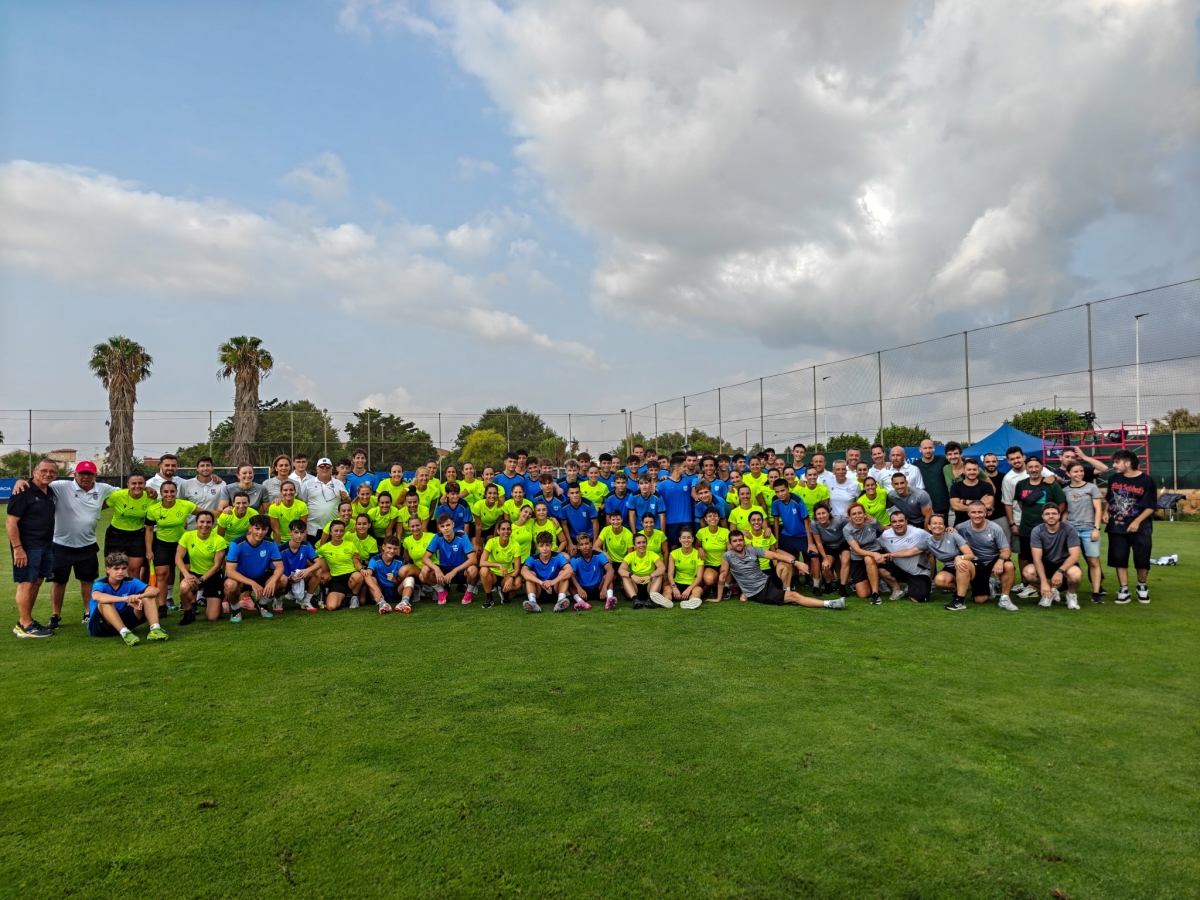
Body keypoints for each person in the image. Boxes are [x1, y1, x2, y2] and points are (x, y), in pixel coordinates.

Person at [11, 459, 115, 630]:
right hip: (60, 544)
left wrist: (148, 489)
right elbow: (37, 482)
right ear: (75, 474)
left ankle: (88, 612)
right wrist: (20, 481)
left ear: (95, 475)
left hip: (88, 544)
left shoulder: (104, 489)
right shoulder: (61, 486)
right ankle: (56, 615)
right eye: (82, 474)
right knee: (59, 582)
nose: (86, 477)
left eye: (89, 474)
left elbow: (127, 491)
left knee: (87, 581)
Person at [716, 530, 843, 609]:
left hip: (767, 581)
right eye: (735, 541)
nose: (738, 543)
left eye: (740, 540)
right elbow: (722, 576)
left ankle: (786, 590)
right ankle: (830, 604)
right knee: (795, 596)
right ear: (730, 544)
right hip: (759, 592)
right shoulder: (727, 556)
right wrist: (718, 598)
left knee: (784, 563)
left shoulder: (751, 550)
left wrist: (796, 562)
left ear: (744, 541)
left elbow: (774, 555)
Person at [7, 458, 59, 638]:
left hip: (45, 545)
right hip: (27, 546)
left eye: (52, 471)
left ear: (56, 474)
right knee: (26, 582)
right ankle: (25, 625)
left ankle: (25, 621)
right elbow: (11, 522)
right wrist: (18, 548)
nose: (47, 474)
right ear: (34, 472)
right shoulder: (23, 491)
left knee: (36, 581)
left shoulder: (50, 491)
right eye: (43, 470)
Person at [1105, 449, 1157, 605]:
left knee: (1142, 558)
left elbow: (1151, 506)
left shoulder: (1147, 480)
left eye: (1117, 462)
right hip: (1117, 526)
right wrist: (1105, 512)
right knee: (1119, 558)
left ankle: (1142, 586)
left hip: (1141, 527)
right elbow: (1110, 499)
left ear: (1127, 463)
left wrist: (1136, 522)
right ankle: (1124, 589)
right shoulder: (1113, 478)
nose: (1114, 465)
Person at [1012, 456, 1066, 595]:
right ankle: (1031, 586)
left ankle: (1051, 587)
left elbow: (1062, 504)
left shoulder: (1051, 484)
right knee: (1027, 557)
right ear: (1026, 469)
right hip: (1026, 528)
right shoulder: (1021, 484)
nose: (1033, 469)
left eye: (1036, 466)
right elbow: (1021, 503)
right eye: (1030, 467)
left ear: (1042, 467)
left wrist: (1051, 519)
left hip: (1046, 530)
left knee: (1046, 558)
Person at [87, 552, 167, 644]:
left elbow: (155, 590)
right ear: (108, 569)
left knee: (148, 597)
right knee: (105, 603)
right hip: (101, 626)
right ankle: (125, 633)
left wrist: (139, 596)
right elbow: (97, 596)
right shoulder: (100, 584)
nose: (120, 572)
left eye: (123, 568)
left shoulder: (131, 582)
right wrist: (126, 599)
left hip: (124, 621)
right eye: (116, 569)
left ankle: (155, 629)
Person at [144, 481, 197, 616]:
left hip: (182, 544)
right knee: (162, 574)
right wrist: (149, 550)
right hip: (162, 544)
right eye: (166, 492)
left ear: (176, 492)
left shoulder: (185, 505)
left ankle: (188, 603)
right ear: (161, 493)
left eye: (172, 491)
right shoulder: (153, 509)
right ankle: (162, 607)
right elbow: (149, 530)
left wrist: (225, 511)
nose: (169, 494)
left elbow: (205, 513)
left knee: (187, 573)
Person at [957, 501, 1018, 610]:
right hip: (975, 562)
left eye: (980, 512)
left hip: (993, 560)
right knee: (980, 600)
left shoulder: (995, 528)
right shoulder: (960, 528)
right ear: (968, 513)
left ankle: (1005, 599)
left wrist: (1000, 561)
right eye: (973, 512)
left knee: (1008, 566)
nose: (977, 515)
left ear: (985, 513)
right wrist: (949, 529)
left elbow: (1006, 550)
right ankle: (991, 583)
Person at [222, 515, 284, 621]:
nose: (260, 532)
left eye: (263, 529)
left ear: (267, 530)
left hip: (260, 576)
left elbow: (280, 567)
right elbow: (230, 572)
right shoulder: (237, 544)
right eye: (257, 528)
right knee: (230, 585)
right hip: (240, 579)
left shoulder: (270, 543)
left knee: (282, 580)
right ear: (250, 528)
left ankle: (262, 603)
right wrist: (252, 583)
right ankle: (236, 609)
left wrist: (272, 581)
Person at [176, 510, 230, 624]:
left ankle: (219, 603)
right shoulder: (187, 536)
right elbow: (178, 558)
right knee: (184, 587)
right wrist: (187, 575)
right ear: (196, 523)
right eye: (202, 522)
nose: (205, 525)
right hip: (194, 573)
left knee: (212, 617)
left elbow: (217, 565)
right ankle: (188, 612)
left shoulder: (219, 540)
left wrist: (201, 580)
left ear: (213, 523)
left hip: (213, 575)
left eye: (208, 522)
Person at [1062, 461, 1105, 600]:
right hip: (1071, 530)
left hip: (1088, 529)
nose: (1079, 474)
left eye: (1081, 471)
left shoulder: (1092, 487)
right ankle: (1070, 591)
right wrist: (1062, 527)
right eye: (1075, 471)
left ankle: (1096, 592)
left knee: (1093, 561)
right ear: (1068, 473)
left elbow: (1098, 509)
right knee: (1070, 561)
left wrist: (1096, 528)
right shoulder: (1065, 490)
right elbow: (1066, 510)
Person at [1027, 505, 1083, 610]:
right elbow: (1037, 559)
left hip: (1064, 563)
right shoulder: (1037, 530)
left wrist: (1060, 571)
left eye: (1054, 513)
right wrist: (1044, 582)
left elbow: (1075, 556)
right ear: (1042, 516)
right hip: (1045, 563)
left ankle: (1071, 595)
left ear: (1059, 515)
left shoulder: (1069, 529)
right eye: (1047, 514)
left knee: (1076, 574)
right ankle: (1049, 593)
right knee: (1028, 572)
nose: (1051, 516)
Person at [104, 474, 152, 583]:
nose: (137, 486)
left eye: (140, 483)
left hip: (137, 536)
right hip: (116, 535)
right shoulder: (118, 496)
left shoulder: (150, 498)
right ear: (128, 485)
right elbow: (99, 507)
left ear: (145, 484)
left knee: (134, 570)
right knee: (113, 570)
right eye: (134, 483)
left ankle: (134, 594)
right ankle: (113, 593)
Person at [423, 514, 480, 605]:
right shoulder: (437, 537)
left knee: (473, 570)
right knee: (425, 570)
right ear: (439, 528)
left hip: (460, 570)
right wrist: (436, 569)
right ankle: (441, 591)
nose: (445, 528)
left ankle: (468, 592)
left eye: (448, 525)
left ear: (453, 524)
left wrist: (455, 570)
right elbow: (425, 558)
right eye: (442, 526)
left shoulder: (462, 537)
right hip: (444, 571)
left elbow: (473, 559)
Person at [922, 513, 975, 611]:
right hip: (951, 568)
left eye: (940, 523)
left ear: (944, 526)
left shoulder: (953, 535)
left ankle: (960, 601)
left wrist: (959, 557)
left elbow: (970, 555)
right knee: (939, 580)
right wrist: (892, 554)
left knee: (961, 564)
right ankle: (959, 590)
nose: (937, 526)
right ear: (929, 526)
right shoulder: (928, 541)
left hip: (969, 565)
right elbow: (910, 551)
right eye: (934, 523)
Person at [877, 511, 933, 603]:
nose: (898, 524)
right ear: (891, 524)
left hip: (917, 572)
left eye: (901, 521)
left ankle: (911, 587)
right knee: (881, 569)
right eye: (894, 522)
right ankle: (898, 589)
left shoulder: (918, 533)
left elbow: (936, 539)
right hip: (898, 568)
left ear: (906, 521)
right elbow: (877, 545)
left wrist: (948, 530)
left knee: (918, 598)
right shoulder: (886, 535)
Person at [842, 502, 892, 604]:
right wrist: (874, 554)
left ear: (864, 514)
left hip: (875, 551)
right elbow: (857, 550)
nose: (857, 516)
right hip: (858, 557)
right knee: (863, 594)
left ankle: (875, 594)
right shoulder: (847, 529)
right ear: (849, 517)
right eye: (854, 514)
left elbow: (882, 529)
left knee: (868, 559)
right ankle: (876, 580)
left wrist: (901, 527)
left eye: (860, 513)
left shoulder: (872, 522)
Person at [770, 479, 815, 580]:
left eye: (782, 490)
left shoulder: (797, 500)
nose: (780, 494)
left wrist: (810, 542)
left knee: (813, 556)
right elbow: (776, 521)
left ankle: (811, 580)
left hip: (802, 534)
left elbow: (806, 521)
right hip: (787, 534)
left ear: (788, 489)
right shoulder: (775, 501)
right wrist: (776, 540)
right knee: (786, 556)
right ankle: (793, 578)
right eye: (777, 492)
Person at [521, 532, 576, 613]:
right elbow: (523, 572)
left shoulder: (558, 556)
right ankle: (533, 602)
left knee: (563, 573)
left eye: (547, 545)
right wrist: (541, 583)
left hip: (555, 590)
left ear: (551, 545)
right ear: (538, 546)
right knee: (531, 574)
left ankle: (560, 601)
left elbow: (569, 570)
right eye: (541, 546)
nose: (544, 548)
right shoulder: (532, 558)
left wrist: (553, 582)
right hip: (539, 591)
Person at [301, 457, 349, 545]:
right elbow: (301, 503)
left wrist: (346, 498)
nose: (325, 468)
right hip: (312, 529)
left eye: (327, 467)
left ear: (331, 468)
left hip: (333, 528)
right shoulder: (307, 484)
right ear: (317, 468)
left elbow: (348, 500)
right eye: (322, 466)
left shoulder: (339, 483)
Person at [617, 532, 669, 609]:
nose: (642, 545)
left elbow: (662, 568)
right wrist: (632, 576)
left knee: (658, 575)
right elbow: (620, 570)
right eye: (639, 543)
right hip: (634, 588)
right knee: (625, 576)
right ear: (634, 545)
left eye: (644, 542)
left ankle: (650, 600)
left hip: (650, 587)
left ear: (647, 544)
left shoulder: (652, 554)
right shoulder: (630, 556)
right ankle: (635, 600)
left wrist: (649, 576)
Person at [278, 520, 321, 613]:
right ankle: (277, 600)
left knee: (318, 571)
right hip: (285, 579)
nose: (299, 535)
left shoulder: (306, 545)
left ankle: (306, 601)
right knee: (280, 578)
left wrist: (308, 570)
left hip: (300, 577)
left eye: (302, 532)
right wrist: (288, 578)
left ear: (305, 533)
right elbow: (274, 570)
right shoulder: (281, 549)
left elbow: (319, 562)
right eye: (296, 532)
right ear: (290, 532)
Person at [316, 520, 359, 611]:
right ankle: (345, 599)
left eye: (341, 531)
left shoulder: (350, 544)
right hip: (337, 579)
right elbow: (311, 558)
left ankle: (354, 596)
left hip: (351, 576)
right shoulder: (324, 548)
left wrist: (362, 569)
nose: (339, 533)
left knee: (358, 576)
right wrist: (324, 573)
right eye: (336, 531)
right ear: (330, 532)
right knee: (331, 606)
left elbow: (356, 562)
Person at [479, 519, 523, 608]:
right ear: (498, 531)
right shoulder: (491, 542)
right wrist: (499, 565)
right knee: (483, 570)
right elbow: (482, 562)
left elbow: (517, 569)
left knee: (518, 583)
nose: (506, 531)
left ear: (511, 531)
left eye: (508, 529)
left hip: (506, 575)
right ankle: (489, 598)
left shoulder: (515, 545)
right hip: (492, 575)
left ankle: (503, 591)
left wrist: (511, 578)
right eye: (503, 529)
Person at [809, 502, 851, 596]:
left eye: (823, 513)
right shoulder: (814, 523)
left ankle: (842, 587)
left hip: (842, 543)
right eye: (818, 514)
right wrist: (824, 558)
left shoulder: (839, 520)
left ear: (828, 513)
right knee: (825, 566)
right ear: (815, 516)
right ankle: (828, 585)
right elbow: (818, 542)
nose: (821, 516)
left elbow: (852, 522)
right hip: (828, 545)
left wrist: (865, 519)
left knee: (845, 560)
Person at [657, 452, 697, 550]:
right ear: (677, 468)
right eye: (684, 466)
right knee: (673, 546)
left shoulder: (688, 481)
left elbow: (697, 482)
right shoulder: (662, 484)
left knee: (688, 545)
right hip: (671, 521)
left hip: (687, 520)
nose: (686, 468)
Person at [568, 530, 613, 610]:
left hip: (599, 588)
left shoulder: (599, 555)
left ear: (591, 544)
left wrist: (604, 587)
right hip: (583, 591)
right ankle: (581, 602)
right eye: (581, 544)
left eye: (587, 543)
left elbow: (610, 570)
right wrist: (579, 588)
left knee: (608, 577)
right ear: (578, 546)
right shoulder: (575, 559)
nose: (584, 546)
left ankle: (609, 599)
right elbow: (571, 575)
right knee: (568, 580)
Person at [695, 508, 730, 597]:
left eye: (715, 516)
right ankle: (715, 586)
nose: (712, 518)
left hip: (724, 563)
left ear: (719, 518)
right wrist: (699, 548)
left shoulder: (725, 531)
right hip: (710, 564)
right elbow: (696, 545)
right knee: (709, 580)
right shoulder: (701, 532)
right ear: (705, 519)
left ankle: (726, 586)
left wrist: (725, 564)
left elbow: (729, 551)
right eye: (709, 516)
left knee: (732, 566)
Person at [913, 440, 951, 524]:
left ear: (934, 448)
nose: (928, 450)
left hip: (942, 504)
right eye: (925, 448)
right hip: (925, 506)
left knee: (942, 528)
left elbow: (958, 461)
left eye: (930, 448)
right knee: (926, 529)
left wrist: (967, 460)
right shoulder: (915, 465)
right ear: (920, 449)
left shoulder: (942, 460)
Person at [364, 536, 405, 614]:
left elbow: (400, 581)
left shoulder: (401, 561)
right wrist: (376, 589)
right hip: (380, 591)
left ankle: (405, 602)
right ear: (383, 547)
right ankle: (382, 603)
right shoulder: (375, 560)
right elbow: (367, 575)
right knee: (371, 578)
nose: (392, 551)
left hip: (395, 591)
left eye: (395, 548)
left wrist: (394, 580)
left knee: (409, 579)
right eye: (389, 548)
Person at [667, 527, 704, 609]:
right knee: (667, 589)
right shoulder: (673, 554)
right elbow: (670, 574)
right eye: (683, 538)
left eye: (688, 537)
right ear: (679, 539)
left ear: (693, 539)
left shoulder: (698, 554)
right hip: (677, 583)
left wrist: (688, 589)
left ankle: (691, 603)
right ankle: (666, 602)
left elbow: (699, 577)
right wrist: (674, 588)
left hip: (692, 584)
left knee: (698, 590)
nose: (686, 540)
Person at [559, 483, 598, 553]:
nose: (575, 495)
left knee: (591, 555)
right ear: (568, 494)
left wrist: (595, 543)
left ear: (580, 493)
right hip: (574, 537)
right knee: (572, 554)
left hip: (589, 537)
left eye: (577, 492)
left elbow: (595, 523)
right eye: (572, 493)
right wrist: (569, 542)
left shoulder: (589, 504)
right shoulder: (564, 506)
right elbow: (564, 525)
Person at [268, 480, 309, 544]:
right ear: (281, 492)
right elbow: (275, 531)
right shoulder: (274, 507)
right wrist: (279, 547)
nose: (288, 492)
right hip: (280, 539)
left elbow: (303, 529)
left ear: (295, 491)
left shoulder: (302, 505)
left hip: (296, 539)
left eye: (291, 490)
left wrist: (302, 545)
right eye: (285, 490)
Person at [470, 483, 506, 552]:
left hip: (491, 528)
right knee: (477, 551)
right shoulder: (478, 506)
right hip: (477, 528)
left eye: (495, 493)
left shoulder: (500, 506)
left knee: (491, 549)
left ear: (497, 495)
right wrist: (477, 544)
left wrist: (494, 540)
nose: (492, 496)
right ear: (485, 495)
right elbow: (478, 525)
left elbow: (498, 524)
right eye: (490, 493)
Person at [981, 453, 1008, 522]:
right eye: (988, 462)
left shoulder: (1005, 478)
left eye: (993, 461)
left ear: (997, 462)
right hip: (982, 517)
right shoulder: (978, 479)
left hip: (1002, 516)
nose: (991, 464)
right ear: (983, 463)